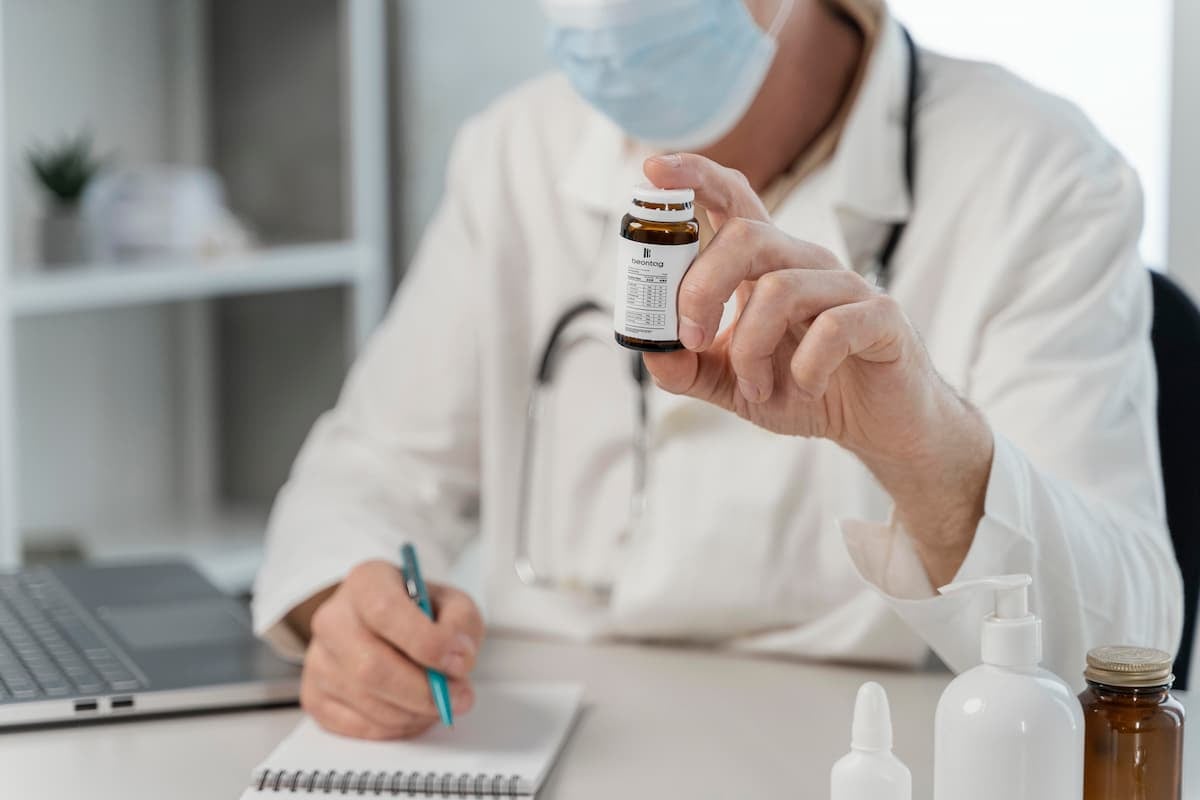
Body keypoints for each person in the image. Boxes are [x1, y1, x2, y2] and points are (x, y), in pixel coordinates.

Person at [253, 0, 1183, 740]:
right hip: (553, 747)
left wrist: (925, 447)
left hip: (863, 750)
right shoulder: (515, 148)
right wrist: (350, 613)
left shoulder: (1042, 173)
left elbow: (1124, 651)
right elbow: (366, 476)